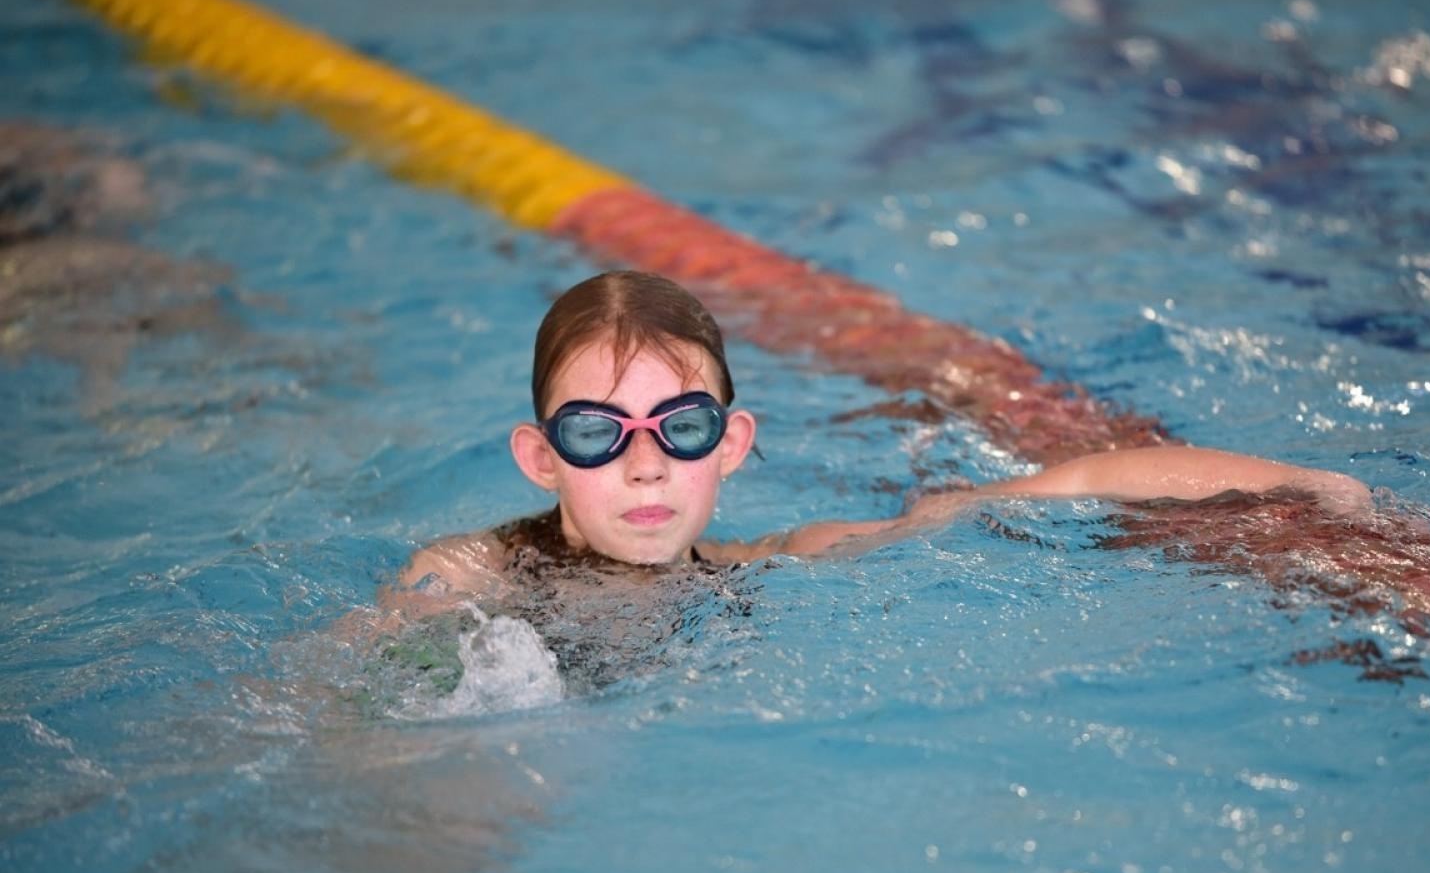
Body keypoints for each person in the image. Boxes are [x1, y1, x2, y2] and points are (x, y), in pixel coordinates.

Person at [393, 270, 1371, 604]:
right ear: (540, 456)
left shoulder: (771, 572)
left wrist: (1293, 481)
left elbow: (1069, 484)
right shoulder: (473, 576)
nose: (645, 460)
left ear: (730, 444)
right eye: (598, 432)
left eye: (679, 427)